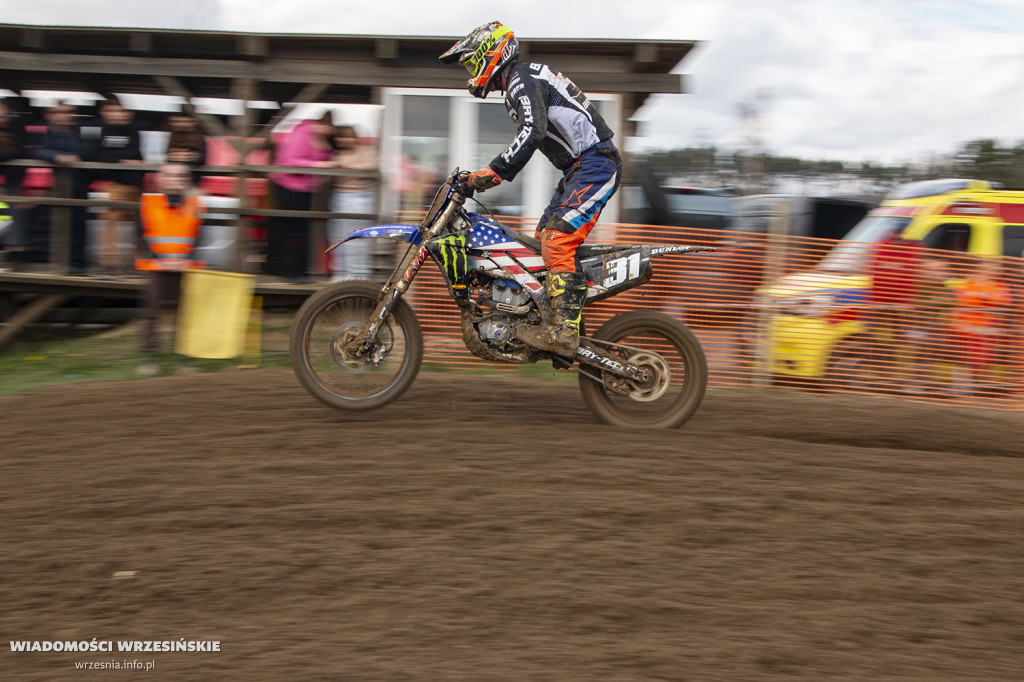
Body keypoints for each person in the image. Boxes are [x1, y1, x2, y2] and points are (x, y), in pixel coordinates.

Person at [440, 21, 622, 357]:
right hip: (578, 170)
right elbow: (533, 132)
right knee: (541, 246)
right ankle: (543, 321)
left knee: (556, 242)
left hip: (596, 163)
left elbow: (532, 131)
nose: (470, 71)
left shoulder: (521, 79)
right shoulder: (520, 81)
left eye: (471, 63)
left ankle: (564, 333)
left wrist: (492, 172)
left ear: (490, 54)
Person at [134, 162, 205, 376]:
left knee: (187, 314)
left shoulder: (195, 204)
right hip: (155, 266)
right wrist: (155, 259)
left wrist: (188, 260)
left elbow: (199, 236)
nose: (176, 180)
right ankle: (148, 357)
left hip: (186, 267)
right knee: (151, 312)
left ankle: (183, 358)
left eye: (181, 176)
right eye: (171, 175)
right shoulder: (147, 202)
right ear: (160, 179)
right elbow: (139, 234)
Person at [266, 112, 334, 283]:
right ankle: (290, 272)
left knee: (301, 231)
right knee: (293, 231)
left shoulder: (316, 136)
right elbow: (290, 161)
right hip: (290, 187)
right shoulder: (301, 133)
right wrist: (318, 165)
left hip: (305, 190)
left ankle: (299, 271)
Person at [88, 97, 145, 276]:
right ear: (103, 112)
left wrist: (117, 157)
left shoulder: (134, 130)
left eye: (120, 110)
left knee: (139, 222)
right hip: (111, 184)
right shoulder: (98, 130)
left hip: (135, 184)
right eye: (112, 110)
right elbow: (94, 154)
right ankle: (110, 262)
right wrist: (120, 160)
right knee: (110, 221)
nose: (117, 114)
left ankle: (139, 261)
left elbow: (136, 154)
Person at [32, 102, 90, 273]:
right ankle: (55, 262)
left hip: (79, 186)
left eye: (68, 112)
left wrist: (74, 156)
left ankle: (76, 264)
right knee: (55, 225)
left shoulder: (82, 132)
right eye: (57, 112)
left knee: (78, 225)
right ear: (48, 115)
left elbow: (89, 150)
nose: (63, 115)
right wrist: (55, 156)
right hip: (53, 188)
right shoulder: (42, 132)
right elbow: (33, 150)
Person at [949, 258, 1012, 395]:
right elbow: (952, 294)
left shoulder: (1000, 286)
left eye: (992, 270)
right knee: (962, 359)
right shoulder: (965, 282)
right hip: (963, 329)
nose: (987, 272)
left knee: (980, 360)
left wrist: (986, 297)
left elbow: (1005, 302)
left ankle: (975, 386)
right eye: (985, 269)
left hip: (985, 331)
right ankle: (961, 389)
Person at [327, 125, 377, 281]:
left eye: (347, 136)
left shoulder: (365, 151)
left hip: (359, 197)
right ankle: (342, 272)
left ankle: (358, 275)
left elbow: (372, 165)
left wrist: (346, 167)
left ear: (354, 138)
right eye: (340, 137)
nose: (343, 140)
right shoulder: (337, 153)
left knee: (356, 238)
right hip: (338, 196)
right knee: (337, 235)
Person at [0, 99, 28, 265]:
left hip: (13, 177)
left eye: (4, 114)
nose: (2, 117)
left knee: (14, 208)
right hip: (7, 179)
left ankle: (13, 249)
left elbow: (18, 150)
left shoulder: (17, 128)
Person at [165, 111, 206, 184]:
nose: (182, 124)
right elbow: (168, 157)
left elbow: (202, 158)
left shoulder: (199, 138)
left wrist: (190, 157)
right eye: (178, 121)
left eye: (185, 121)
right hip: (174, 180)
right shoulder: (171, 137)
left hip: (193, 180)